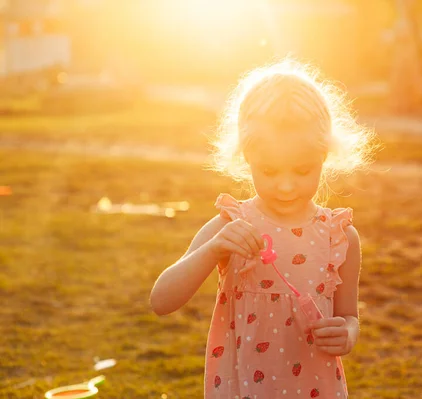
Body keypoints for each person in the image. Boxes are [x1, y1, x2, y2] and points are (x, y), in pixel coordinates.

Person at [150, 59, 377, 398]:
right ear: (246, 157)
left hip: (315, 388)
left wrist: (347, 334)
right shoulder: (231, 225)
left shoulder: (338, 236)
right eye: (269, 170)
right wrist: (213, 250)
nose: (286, 186)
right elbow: (161, 300)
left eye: (302, 170)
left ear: (325, 156)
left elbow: (349, 317)